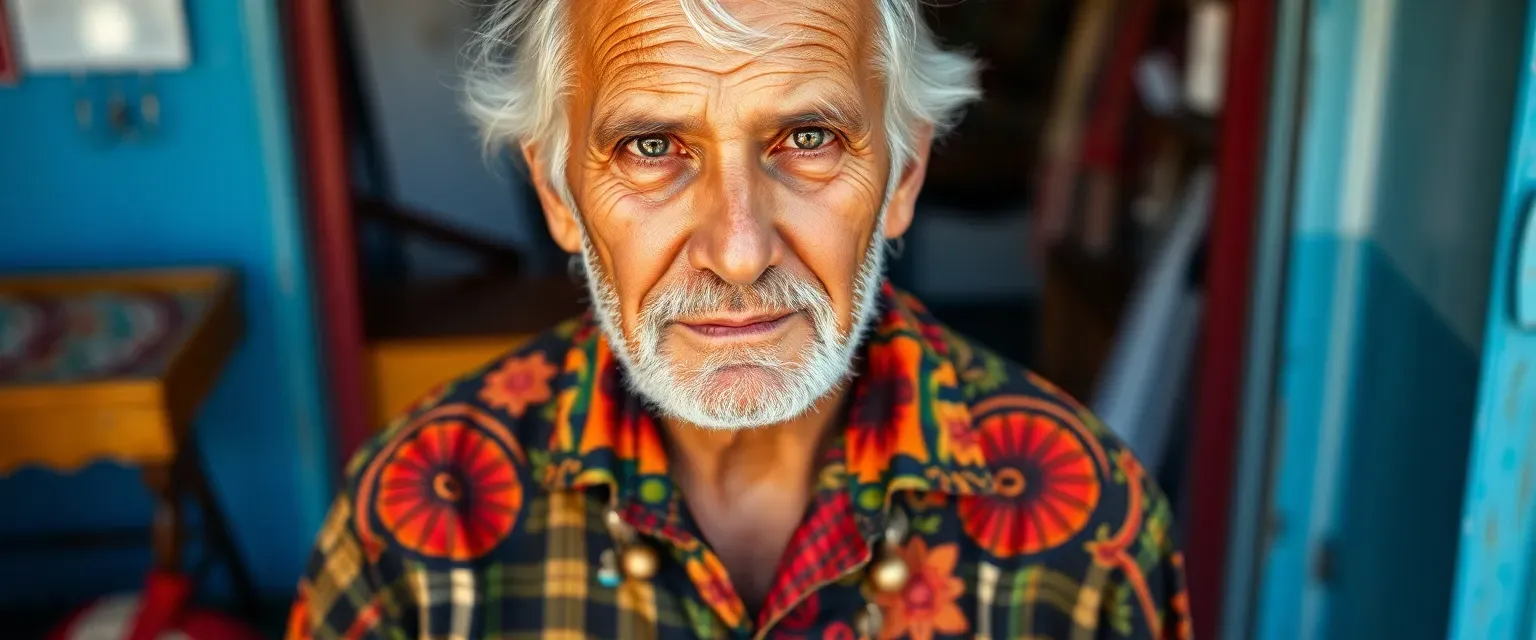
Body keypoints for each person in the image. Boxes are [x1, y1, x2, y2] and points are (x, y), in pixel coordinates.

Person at [287, 0, 1191, 637]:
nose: (740, 248)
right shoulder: (416, 515)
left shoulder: (1083, 519)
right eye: (651, 147)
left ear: (903, 176)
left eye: (808, 140)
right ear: (560, 192)